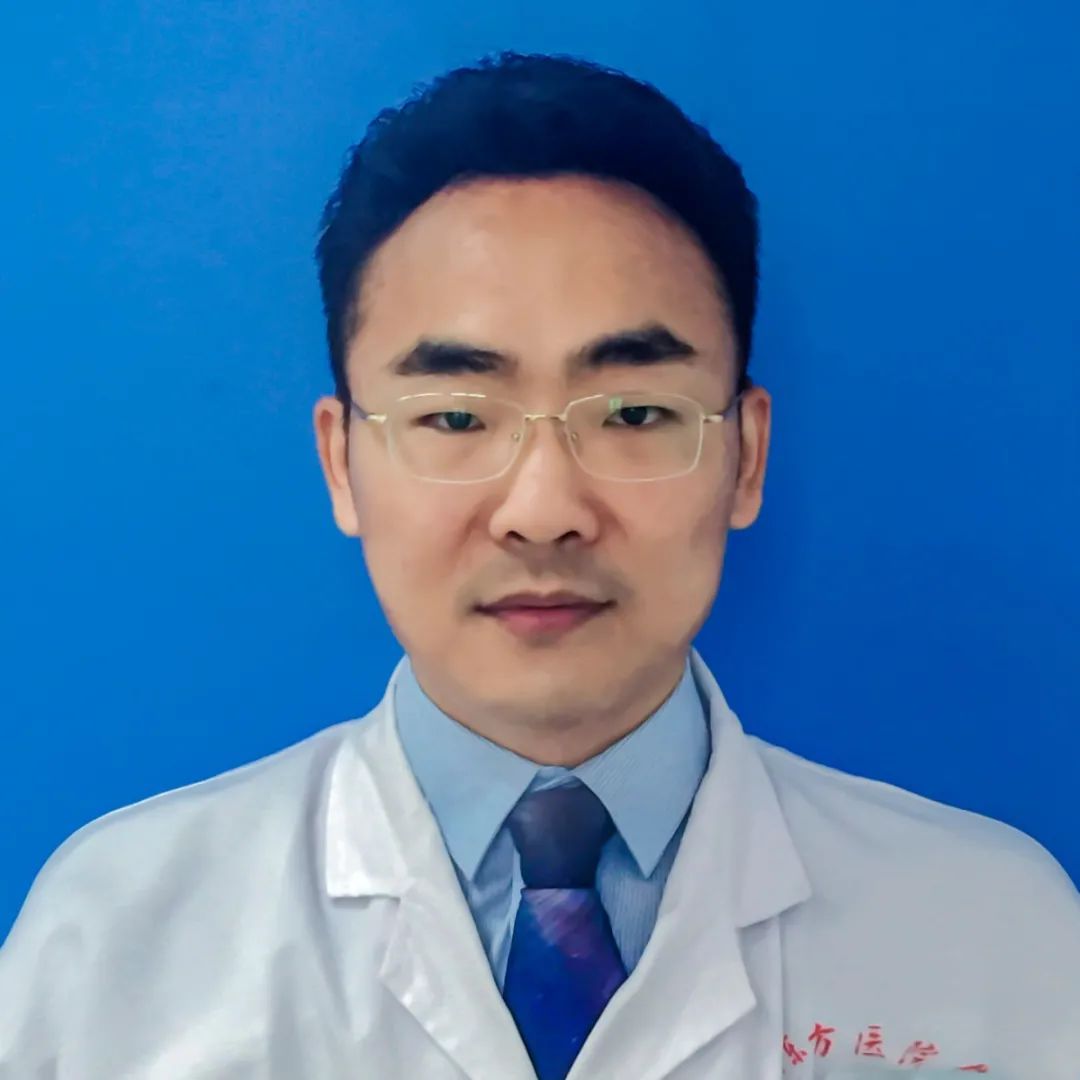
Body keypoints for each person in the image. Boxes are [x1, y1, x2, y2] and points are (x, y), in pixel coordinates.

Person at [2, 51, 1078, 1080]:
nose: (545, 512)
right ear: (341, 464)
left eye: (635, 414)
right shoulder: (115, 940)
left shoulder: (993, 934)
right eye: (456, 416)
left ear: (746, 457)